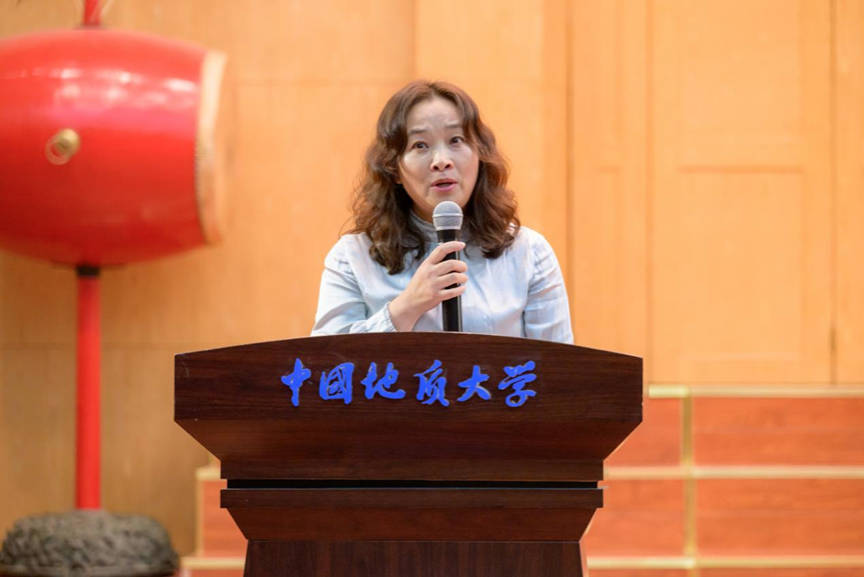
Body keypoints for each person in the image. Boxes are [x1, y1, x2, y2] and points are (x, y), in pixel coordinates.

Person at [311, 80, 573, 344]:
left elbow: (560, 364)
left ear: (480, 155)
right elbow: (325, 363)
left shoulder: (528, 252)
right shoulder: (353, 256)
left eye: (456, 140)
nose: (441, 161)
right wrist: (405, 308)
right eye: (420, 145)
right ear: (393, 169)